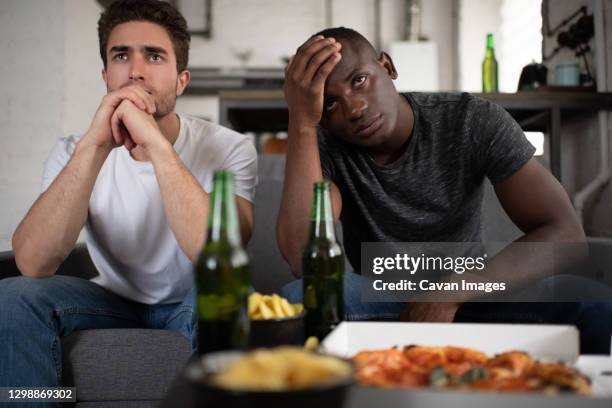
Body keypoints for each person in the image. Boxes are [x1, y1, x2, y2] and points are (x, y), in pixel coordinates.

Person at [277, 27, 612, 353]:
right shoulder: (324, 142)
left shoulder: (469, 119)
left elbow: (566, 235)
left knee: (594, 303)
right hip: (381, 297)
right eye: (331, 103)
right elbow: (302, 257)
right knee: (300, 300)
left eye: (359, 81)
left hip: (476, 291)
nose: (354, 109)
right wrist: (301, 123)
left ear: (387, 66)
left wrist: (449, 293)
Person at [0, 0, 256, 387]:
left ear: (181, 80)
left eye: (154, 56)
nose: (135, 72)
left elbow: (214, 253)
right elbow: (35, 263)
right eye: (122, 56)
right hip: (112, 301)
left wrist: (155, 145)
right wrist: (96, 146)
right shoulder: (74, 150)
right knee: (15, 296)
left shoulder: (231, 147)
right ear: (106, 75)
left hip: (194, 299)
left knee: (233, 296)